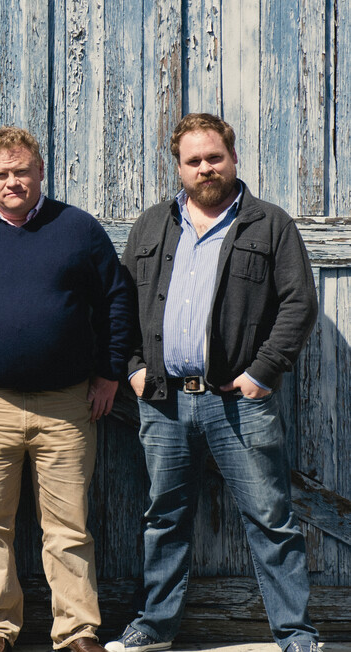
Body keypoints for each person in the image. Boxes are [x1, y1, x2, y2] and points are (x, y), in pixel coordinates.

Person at [108, 113, 319, 652]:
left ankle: (296, 634)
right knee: (164, 518)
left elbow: (299, 304)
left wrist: (261, 372)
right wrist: (132, 367)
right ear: (177, 167)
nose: (205, 168)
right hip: (163, 402)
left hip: (239, 403)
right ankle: (154, 628)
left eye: (214, 157)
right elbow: (121, 304)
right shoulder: (153, 224)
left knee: (271, 519)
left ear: (232, 157)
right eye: (193, 160)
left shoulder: (269, 224)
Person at [0, 127, 133, 652]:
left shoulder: (77, 229)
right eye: (1, 174)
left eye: (22, 171)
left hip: (67, 404)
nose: (13, 182)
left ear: (40, 172)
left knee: (69, 526)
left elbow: (116, 300)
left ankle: (77, 631)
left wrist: (110, 372)